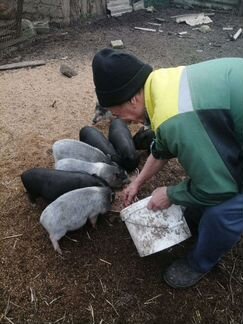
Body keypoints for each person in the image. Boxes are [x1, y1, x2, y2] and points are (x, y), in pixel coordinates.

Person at [92, 48, 243, 288]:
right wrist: (138, 181)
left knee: (222, 211)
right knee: (207, 182)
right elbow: (161, 147)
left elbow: (219, 187)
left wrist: (171, 194)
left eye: (116, 113)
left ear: (133, 98)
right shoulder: (162, 85)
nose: (121, 121)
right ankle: (198, 215)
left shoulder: (175, 118)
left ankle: (200, 262)